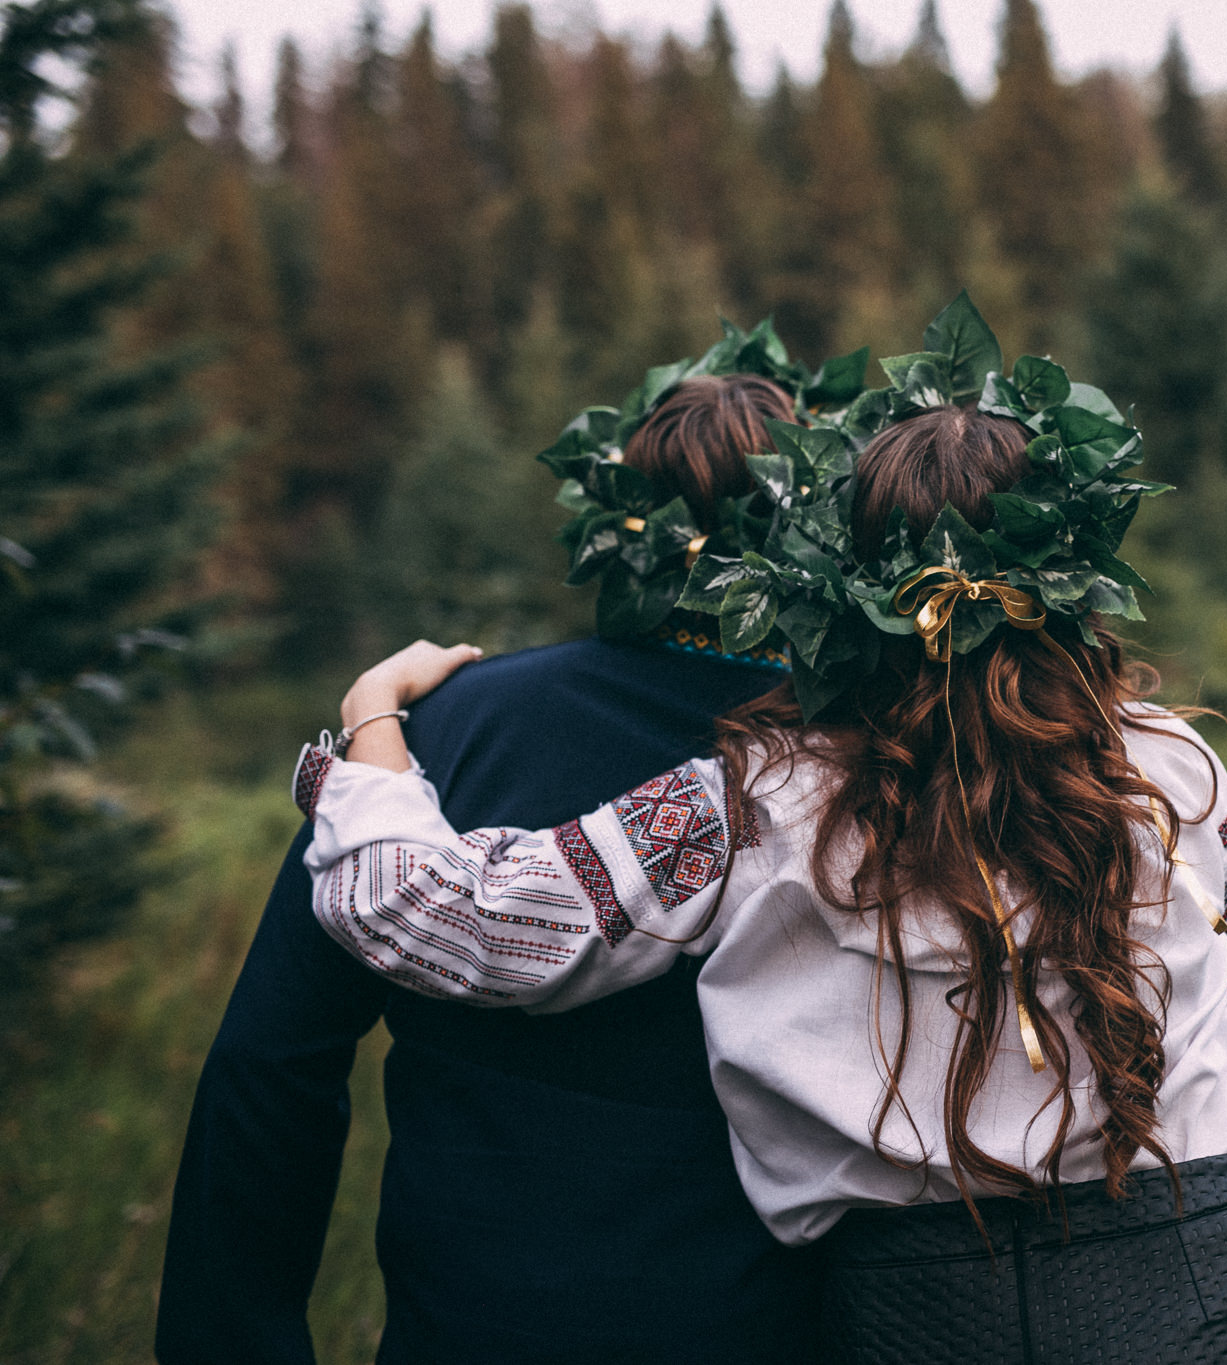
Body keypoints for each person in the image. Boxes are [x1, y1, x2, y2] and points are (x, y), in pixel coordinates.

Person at [288, 404, 1227, 1363]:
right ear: (1072, 574)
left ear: (842, 582)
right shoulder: (1170, 764)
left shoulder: (752, 800)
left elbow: (447, 920)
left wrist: (377, 712)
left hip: (920, 1314)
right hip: (1213, 1275)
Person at [155, 374, 823, 1365]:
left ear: (615, 524)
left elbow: (272, 1058)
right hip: (766, 1323)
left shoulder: (437, 735)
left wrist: (238, 1341)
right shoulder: (864, 765)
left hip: (472, 1322)